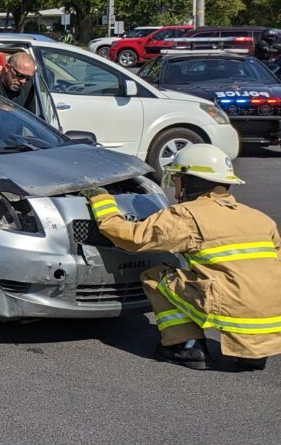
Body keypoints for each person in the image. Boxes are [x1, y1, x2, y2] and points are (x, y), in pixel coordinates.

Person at [88, 143, 281, 371]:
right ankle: (252, 352)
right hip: (271, 313)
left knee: (157, 276)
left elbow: (132, 238)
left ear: (191, 181)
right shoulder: (260, 218)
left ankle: (186, 346)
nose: (176, 186)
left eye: (178, 178)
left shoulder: (187, 216)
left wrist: (102, 202)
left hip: (232, 308)